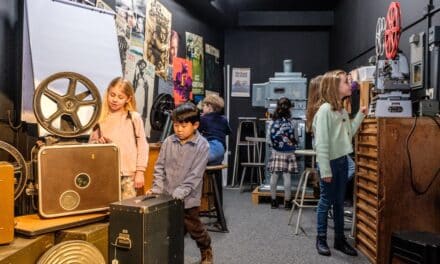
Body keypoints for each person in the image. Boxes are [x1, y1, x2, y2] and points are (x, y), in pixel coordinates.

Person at [146, 102, 213, 264]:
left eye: (184, 126)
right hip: (167, 196)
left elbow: (195, 175)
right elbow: (160, 167)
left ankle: (206, 250)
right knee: (170, 230)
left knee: (194, 229)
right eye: (176, 125)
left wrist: (181, 193)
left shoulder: (202, 145)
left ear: (195, 125)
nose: (179, 129)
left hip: (188, 199)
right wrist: (157, 189)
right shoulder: (169, 142)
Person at [313, 70, 367, 257]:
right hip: (329, 164)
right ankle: (320, 238)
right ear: (334, 88)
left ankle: (339, 240)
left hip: (342, 162)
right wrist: (326, 170)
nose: (350, 84)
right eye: (346, 82)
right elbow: (321, 143)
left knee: (338, 203)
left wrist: (359, 115)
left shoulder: (342, 111)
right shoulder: (325, 111)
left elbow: (348, 134)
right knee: (325, 202)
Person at [89, 77, 148, 200]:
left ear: (128, 99)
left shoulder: (134, 118)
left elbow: (142, 145)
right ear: (108, 93)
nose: (115, 100)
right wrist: (98, 143)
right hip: (106, 173)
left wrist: (140, 172)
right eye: (112, 95)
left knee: (127, 209)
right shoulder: (100, 118)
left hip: (129, 176)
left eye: (120, 97)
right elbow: (91, 145)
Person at [268, 97, 298, 210]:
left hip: (276, 151)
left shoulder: (272, 122)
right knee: (287, 176)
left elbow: (268, 139)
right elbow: (295, 139)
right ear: (290, 108)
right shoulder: (293, 122)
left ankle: (273, 201)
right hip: (289, 152)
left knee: (274, 175)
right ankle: (287, 202)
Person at [199, 94, 232, 165]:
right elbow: (228, 132)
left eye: (204, 106)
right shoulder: (224, 119)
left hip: (211, 148)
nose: (202, 108)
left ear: (209, 107)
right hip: (221, 152)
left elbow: (196, 132)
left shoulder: (203, 119)